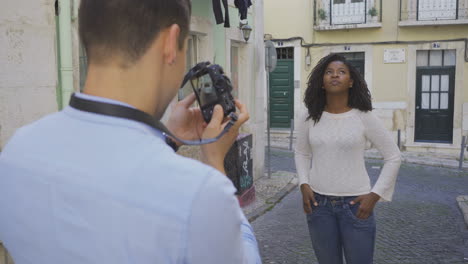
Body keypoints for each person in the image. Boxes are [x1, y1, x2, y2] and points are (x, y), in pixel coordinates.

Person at [0, 0, 261, 263]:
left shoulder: (15, 153)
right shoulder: (200, 195)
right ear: (171, 43)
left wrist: (168, 140)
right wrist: (214, 162)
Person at [295, 53, 401, 264]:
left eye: (341, 72)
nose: (335, 76)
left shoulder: (364, 116)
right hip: (319, 205)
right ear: (322, 82)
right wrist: (303, 183)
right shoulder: (308, 116)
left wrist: (375, 195)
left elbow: (393, 156)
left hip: (356, 207)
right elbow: (302, 153)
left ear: (351, 81)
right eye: (329, 72)